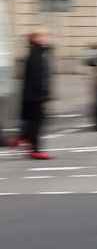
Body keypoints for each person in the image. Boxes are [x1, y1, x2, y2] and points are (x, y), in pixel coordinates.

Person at [18, 32, 52, 160]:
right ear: (36, 39)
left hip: (32, 95)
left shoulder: (38, 53)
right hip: (35, 96)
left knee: (34, 121)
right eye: (42, 36)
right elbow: (38, 77)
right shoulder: (36, 55)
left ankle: (24, 139)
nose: (46, 38)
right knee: (36, 122)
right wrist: (42, 94)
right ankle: (35, 149)